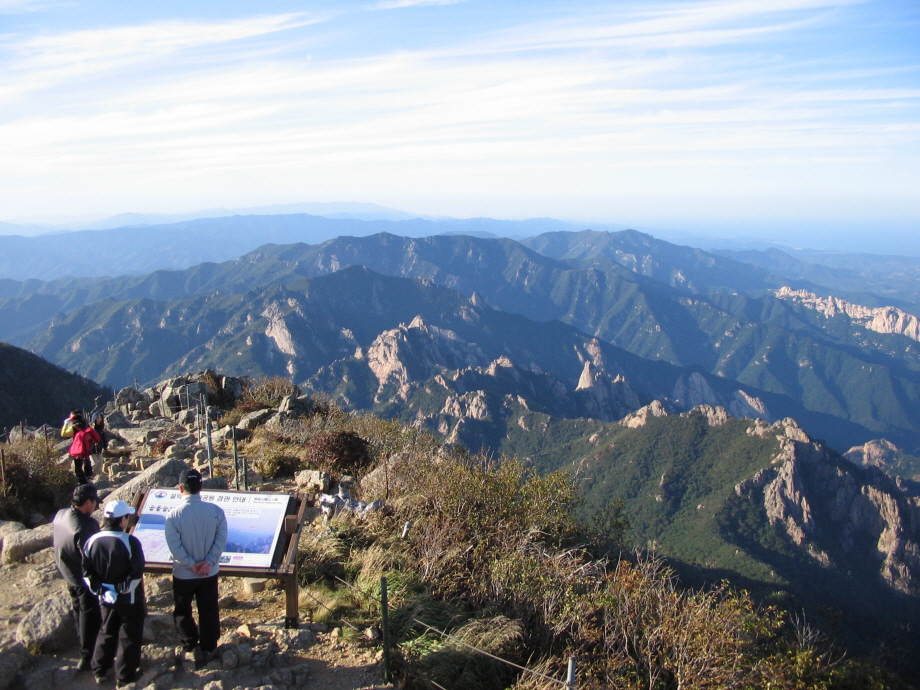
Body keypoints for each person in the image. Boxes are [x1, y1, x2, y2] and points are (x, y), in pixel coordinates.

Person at [165, 468, 228, 667]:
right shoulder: (216, 511)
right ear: (201, 487)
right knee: (209, 608)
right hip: (209, 572)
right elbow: (221, 540)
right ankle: (209, 646)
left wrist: (191, 565)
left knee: (183, 610)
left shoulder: (173, 515)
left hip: (184, 574)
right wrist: (208, 562)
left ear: (180, 488)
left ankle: (189, 644)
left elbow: (174, 546)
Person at [82, 500, 146, 688]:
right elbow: (136, 573)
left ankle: (100, 669)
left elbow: (86, 572)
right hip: (129, 597)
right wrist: (120, 590)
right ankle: (125, 675)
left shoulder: (91, 541)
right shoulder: (129, 541)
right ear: (122, 520)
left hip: (105, 597)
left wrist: (102, 590)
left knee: (106, 630)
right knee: (129, 635)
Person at [52, 484, 102, 672]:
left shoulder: (61, 514)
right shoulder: (86, 525)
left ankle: (83, 644)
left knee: (78, 609)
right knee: (89, 613)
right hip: (83, 577)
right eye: (94, 502)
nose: (96, 506)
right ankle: (88, 655)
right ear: (87, 502)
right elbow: (91, 555)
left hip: (67, 570)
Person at [66, 411, 101, 485]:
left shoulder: (74, 426)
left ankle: (82, 481)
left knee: (78, 465)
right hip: (87, 446)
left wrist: (66, 424)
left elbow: (64, 434)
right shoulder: (86, 424)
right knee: (87, 460)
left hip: (78, 447)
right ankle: (89, 476)